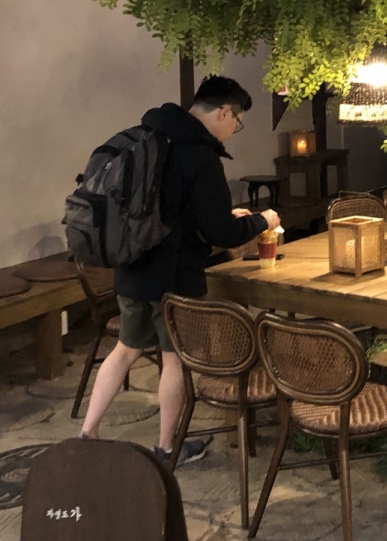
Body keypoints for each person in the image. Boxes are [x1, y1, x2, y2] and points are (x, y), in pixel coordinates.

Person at [80, 76, 279, 462]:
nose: (233, 131)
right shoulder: (200, 155)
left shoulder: (146, 135)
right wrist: (262, 220)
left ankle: (87, 434)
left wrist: (225, 215)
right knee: (173, 360)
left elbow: (171, 207)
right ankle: (167, 448)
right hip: (173, 276)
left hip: (132, 267)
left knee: (124, 350)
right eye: (237, 122)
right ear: (224, 112)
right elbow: (219, 232)